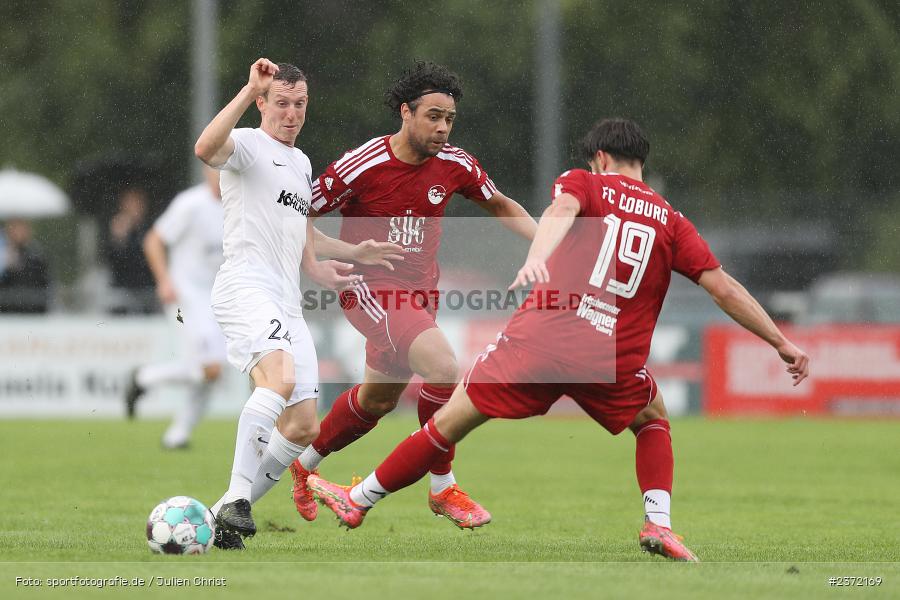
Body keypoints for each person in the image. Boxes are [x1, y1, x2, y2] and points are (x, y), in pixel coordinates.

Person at [308, 118, 811, 561]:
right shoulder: (672, 221)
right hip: (610, 357)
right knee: (652, 419)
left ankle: (358, 501)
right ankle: (659, 523)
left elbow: (561, 210)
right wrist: (781, 342)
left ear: (600, 157)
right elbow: (723, 287)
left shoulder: (585, 183)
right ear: (641, 161)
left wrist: (537, 257)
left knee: (450, 421)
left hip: (541, 340)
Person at [288, 61, 537, 529]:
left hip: (422, 296)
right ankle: (443, 488)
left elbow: (500, 203)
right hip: (371, 289)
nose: (442, 128)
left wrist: (547, 244)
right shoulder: (364, 163)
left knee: (375, 402)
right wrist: (315, 263)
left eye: (449, 119)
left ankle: (303, 466)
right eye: (433, 117)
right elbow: (301, 214)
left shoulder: (456, 164)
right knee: (444, 368)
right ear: (406, 112)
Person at [194, 58, 399, 550]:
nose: (291, 113)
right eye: (281, 103)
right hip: (246, 285)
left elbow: (300, 230)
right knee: (278, 380)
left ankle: (225, 516)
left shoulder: (302, 162)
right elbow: (204, 148)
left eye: (300, 104)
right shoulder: (246, 145)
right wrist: (247, 90)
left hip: (286, 299)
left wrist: (346, 255)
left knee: (304, 425)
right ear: (264, 103)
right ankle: (240, 496)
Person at [123, 165, 226, 450]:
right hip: (184, 299)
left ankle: (176, 433)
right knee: (209, 367)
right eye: (216, 169)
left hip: (218, 299)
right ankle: (144, 378)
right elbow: (153, 240)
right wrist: (164, 280)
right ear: (206, 172)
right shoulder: (190, 204)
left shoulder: (239, 204)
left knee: (211, 372)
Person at [104, 187, 155, 313]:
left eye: (137, 203)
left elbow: (148, 261)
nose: (134, 208)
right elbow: (111, 261)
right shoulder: (117, 227)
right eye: (130, 203)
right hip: (122, 291)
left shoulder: (152, 230)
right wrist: (118, 240)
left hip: (147, 291)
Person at [0, 219, 51, 313]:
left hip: (32, 312)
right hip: (9, 313)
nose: (18, 233)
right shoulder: (4, 254)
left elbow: (44, 285)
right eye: (15, 228)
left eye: (21, 228)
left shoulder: (37, 256)